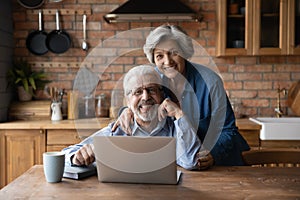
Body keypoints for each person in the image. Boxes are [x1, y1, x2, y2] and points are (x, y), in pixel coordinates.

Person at [112, 25, 250, 169]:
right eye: (160, 56)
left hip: (218, 165)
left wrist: (213, 154)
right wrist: (126, 111)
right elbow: (139, 100)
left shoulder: (210, 82)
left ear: (184, 52)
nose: (167, 61)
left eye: (173, 53)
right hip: (176, 165)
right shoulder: (153, 80)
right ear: (153, 59)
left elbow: (228, 131)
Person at [62, 64, 201, 170]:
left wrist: (179, 114)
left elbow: (190, 162)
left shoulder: (175, 129)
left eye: (151, 90)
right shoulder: (117, 130)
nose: (146, 97)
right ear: (128, 101)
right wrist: (76, 157)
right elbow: (64, 155)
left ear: (162, 95)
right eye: (138, 92)